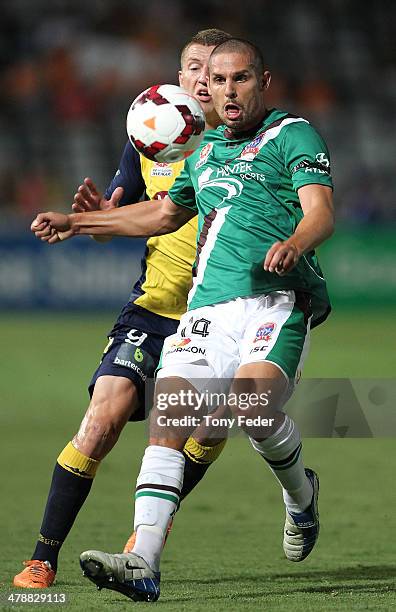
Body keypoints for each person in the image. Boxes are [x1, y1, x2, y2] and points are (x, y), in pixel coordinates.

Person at [31, 38, 335, 603]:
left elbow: (320, 211)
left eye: (240, 79)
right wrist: (77, 223)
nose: (227, 92)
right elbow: (165, 213)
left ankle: (300, 496)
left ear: (263, 82)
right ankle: (143, 562)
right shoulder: (202, 150)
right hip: (205, 311)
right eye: (217, 82)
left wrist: (295, 241)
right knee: (168, 420)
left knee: (251, 409)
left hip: (275, 302)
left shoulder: (294, 135)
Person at [13, 28, 233, 590]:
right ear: (181, 75)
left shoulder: (241, 144)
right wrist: (96, 216)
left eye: (213, 69)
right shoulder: (150, 131)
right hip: (153, 309)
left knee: (205, 434)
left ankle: (145, 538)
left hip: (223, 316)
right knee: (103, 417)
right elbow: (122, 217)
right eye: (192, 67)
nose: (201, 78)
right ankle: (42, 556)